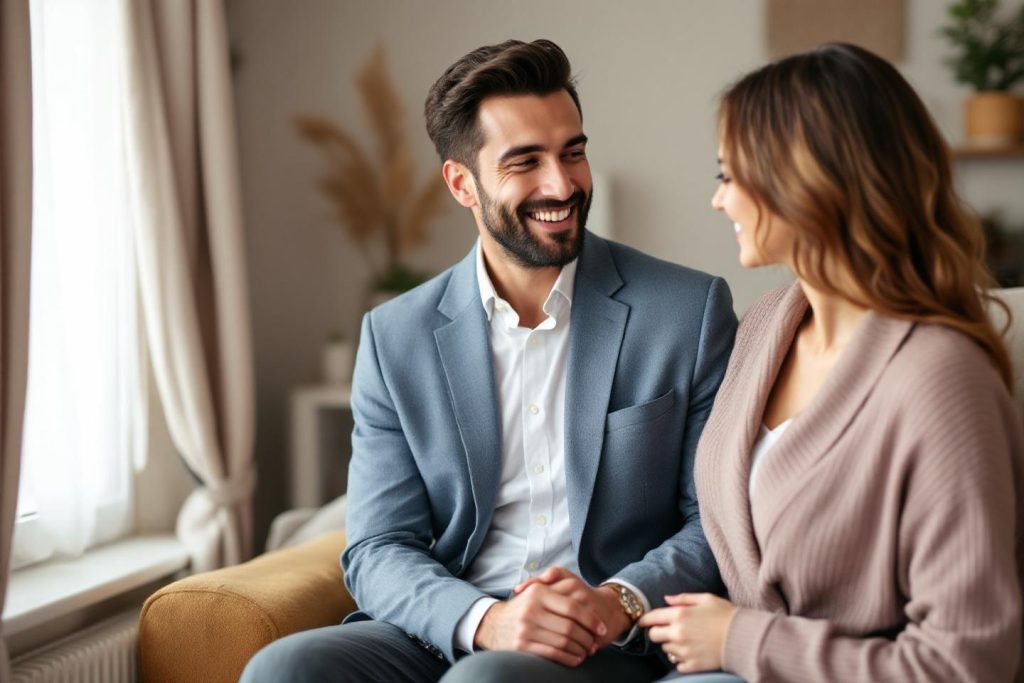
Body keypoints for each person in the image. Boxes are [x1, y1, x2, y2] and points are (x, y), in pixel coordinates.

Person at [241, 39, 737, 683]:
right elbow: (377, 545)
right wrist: (484, 620)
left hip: (608, 641)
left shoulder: (686, 310)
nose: (561, 184)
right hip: (447, 632)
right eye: (524, 162)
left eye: (573, 152)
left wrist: (615, 602)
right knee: (285, 669)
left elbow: (717, 521)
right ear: (461, 184)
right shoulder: (396, 336)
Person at [637, 42, 1024, 682]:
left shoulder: (939, 380)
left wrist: (742, 640)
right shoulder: (764, 326)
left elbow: (966, 663)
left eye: (729, 176)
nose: (718, 201)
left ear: (806, 181)